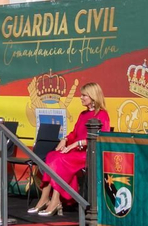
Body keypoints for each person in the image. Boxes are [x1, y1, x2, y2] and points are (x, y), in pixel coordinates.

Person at [31, 81, 109, 217]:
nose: (81, 98)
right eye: (82, 95)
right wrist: (65, 139)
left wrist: (76, 144)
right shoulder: (82, 114)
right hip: (75, 152)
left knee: (61, 159)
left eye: (84, 95)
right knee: (52, 156)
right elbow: (74, 133)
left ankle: (55, 200)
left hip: (88, 154)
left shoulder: (102, 115)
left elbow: (100, 138)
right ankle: (44, 198)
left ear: (93, 96)